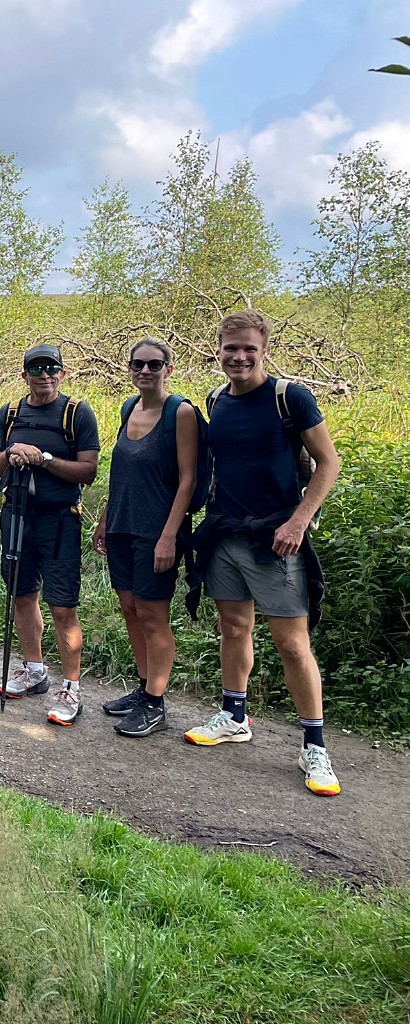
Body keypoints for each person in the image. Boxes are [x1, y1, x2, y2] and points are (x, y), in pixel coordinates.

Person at [183, 310, 341, 796]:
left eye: (249, 348)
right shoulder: (217, 401)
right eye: (231, 348)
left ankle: (314, 745)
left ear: (264, 349)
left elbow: (328, 462)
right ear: (219, 349)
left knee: (293, 643)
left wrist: (298, 520)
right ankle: (234, 716)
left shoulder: (289, 398)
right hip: (226, 534)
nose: (239, 356)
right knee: (233, 626)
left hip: (276, 539)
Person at [0, 343, 100, 726]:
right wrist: (11, 453)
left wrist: (44, 459)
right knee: (21, 595)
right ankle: (34, 671)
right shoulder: (10, 413)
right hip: (16, 514)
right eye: (36, 368)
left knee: (63, 605)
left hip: (59, 519)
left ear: (62, 374)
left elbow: (88, 471)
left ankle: (72, 688)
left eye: (52, 368)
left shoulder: (77, 413)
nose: (44, 374)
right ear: (25, 375)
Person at [91, 338, 199, 737]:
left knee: (154, 615)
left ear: (169, 369)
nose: (146, 371)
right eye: (139, 364)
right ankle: (143, 688)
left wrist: (169, 537)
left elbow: (187, 480)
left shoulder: (180, 412)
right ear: (130, 368)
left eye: (155, 365)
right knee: (130, 610)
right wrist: (104, 519)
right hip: (121, 525)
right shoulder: (128, 408)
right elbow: (122, 473)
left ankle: (156, 703)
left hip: (156, 530)